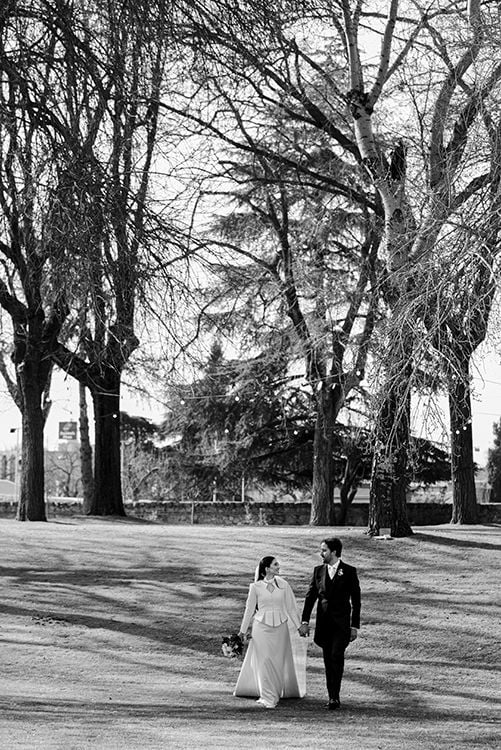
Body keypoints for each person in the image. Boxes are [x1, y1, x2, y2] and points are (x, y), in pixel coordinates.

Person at [234, 555, 306, 709]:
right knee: (265, 661)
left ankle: (275, 692)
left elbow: (291, 608)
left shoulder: (284, 585)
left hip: (281, 627)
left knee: (278, 661)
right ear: (266, 568)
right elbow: (249, 609)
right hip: (262, 628)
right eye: (275, 565)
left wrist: (299, 626)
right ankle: (268, 697)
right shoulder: (255, 587)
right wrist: (242, 631)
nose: (278, 567)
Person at [299, 537, 361, 710]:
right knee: (328, 659)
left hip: (341, 625)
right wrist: (304, 621)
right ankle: (332, 697)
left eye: (324, 550)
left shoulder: (349, 571)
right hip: (324, 624)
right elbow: (310, 597)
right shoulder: (318, 571)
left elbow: (356, 600)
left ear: (334, 552)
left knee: (336, 656)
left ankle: (336, 695)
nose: (321, 553)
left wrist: (354, 625)